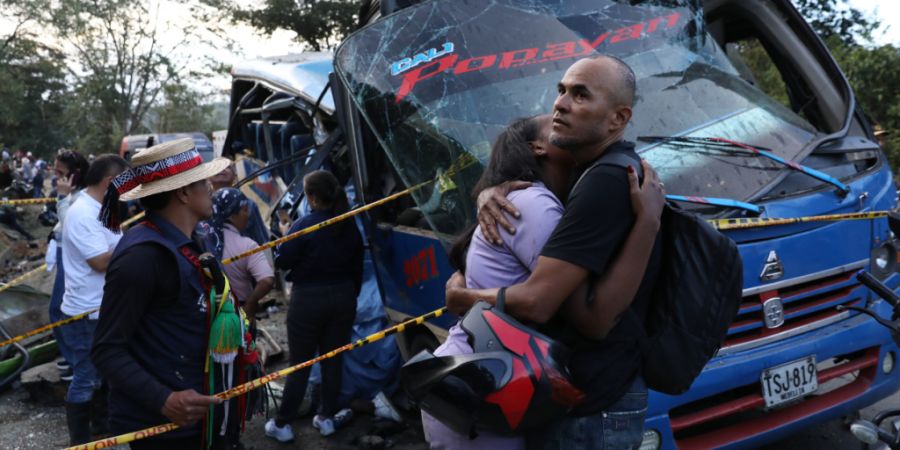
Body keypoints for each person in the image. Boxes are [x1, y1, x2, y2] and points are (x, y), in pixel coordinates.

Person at [445, 55, 663, 449]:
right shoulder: (582, 180)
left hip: (594, 395)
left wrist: (462, 297)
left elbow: (572, 313)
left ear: (618, 118)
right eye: (561, 91)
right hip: (579, 390)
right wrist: (492, 190)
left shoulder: (602, 180)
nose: (560, 104)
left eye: (580, 94)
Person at [91, 138, 241, 450]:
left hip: (204, 422)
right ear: (184, 192)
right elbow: (106, 350)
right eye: (203, 181)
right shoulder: (142, 256)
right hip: (165, 430)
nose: (211, 186)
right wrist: (164, 399)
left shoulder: (196, 240)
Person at [264, 170, 364, 442]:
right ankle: (327, 417)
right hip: (344, 298)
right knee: (333, 360)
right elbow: (358, 265)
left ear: (311, 197)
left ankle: (283, 424)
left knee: (300, 364)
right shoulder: (348, 223)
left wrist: (284, 236)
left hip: (309, 300)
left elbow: (282, 261)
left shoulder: (303, 226)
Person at [58, 154, 129, 444]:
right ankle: (80, 439)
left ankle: (100, 426)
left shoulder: (105, 207)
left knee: (104, 373)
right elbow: (100, 261)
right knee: (86, 377)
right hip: (87, 311)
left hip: (103, 307)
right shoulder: (83, 213)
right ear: (110, 181)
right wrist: (137, 245)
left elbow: (114, 246)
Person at [47, 150, 90, 380]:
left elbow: (69, 223)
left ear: (76, 174)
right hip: (63, 252)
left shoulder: (81, 197)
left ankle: (78, 362)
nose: (56, 177)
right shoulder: (74, 193)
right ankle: (72, 355)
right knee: (57, 309)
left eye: (60, 173)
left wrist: (62, 197)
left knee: (61, 310)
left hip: (72, 256)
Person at [203, 187, 275, 325]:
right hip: (239, 312)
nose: (248, 214)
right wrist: (251, 304)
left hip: (209, 314)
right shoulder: (247, 245)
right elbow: (266, 281)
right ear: (232, 214)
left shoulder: (203, 241)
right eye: (245, 209)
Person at [209, 164, 269, 245]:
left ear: (235, 177)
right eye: (215, 167)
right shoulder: (202, 207)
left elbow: (262, 241)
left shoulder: (249, 205)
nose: (221, 169)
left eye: (227, 167)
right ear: (208, 178)